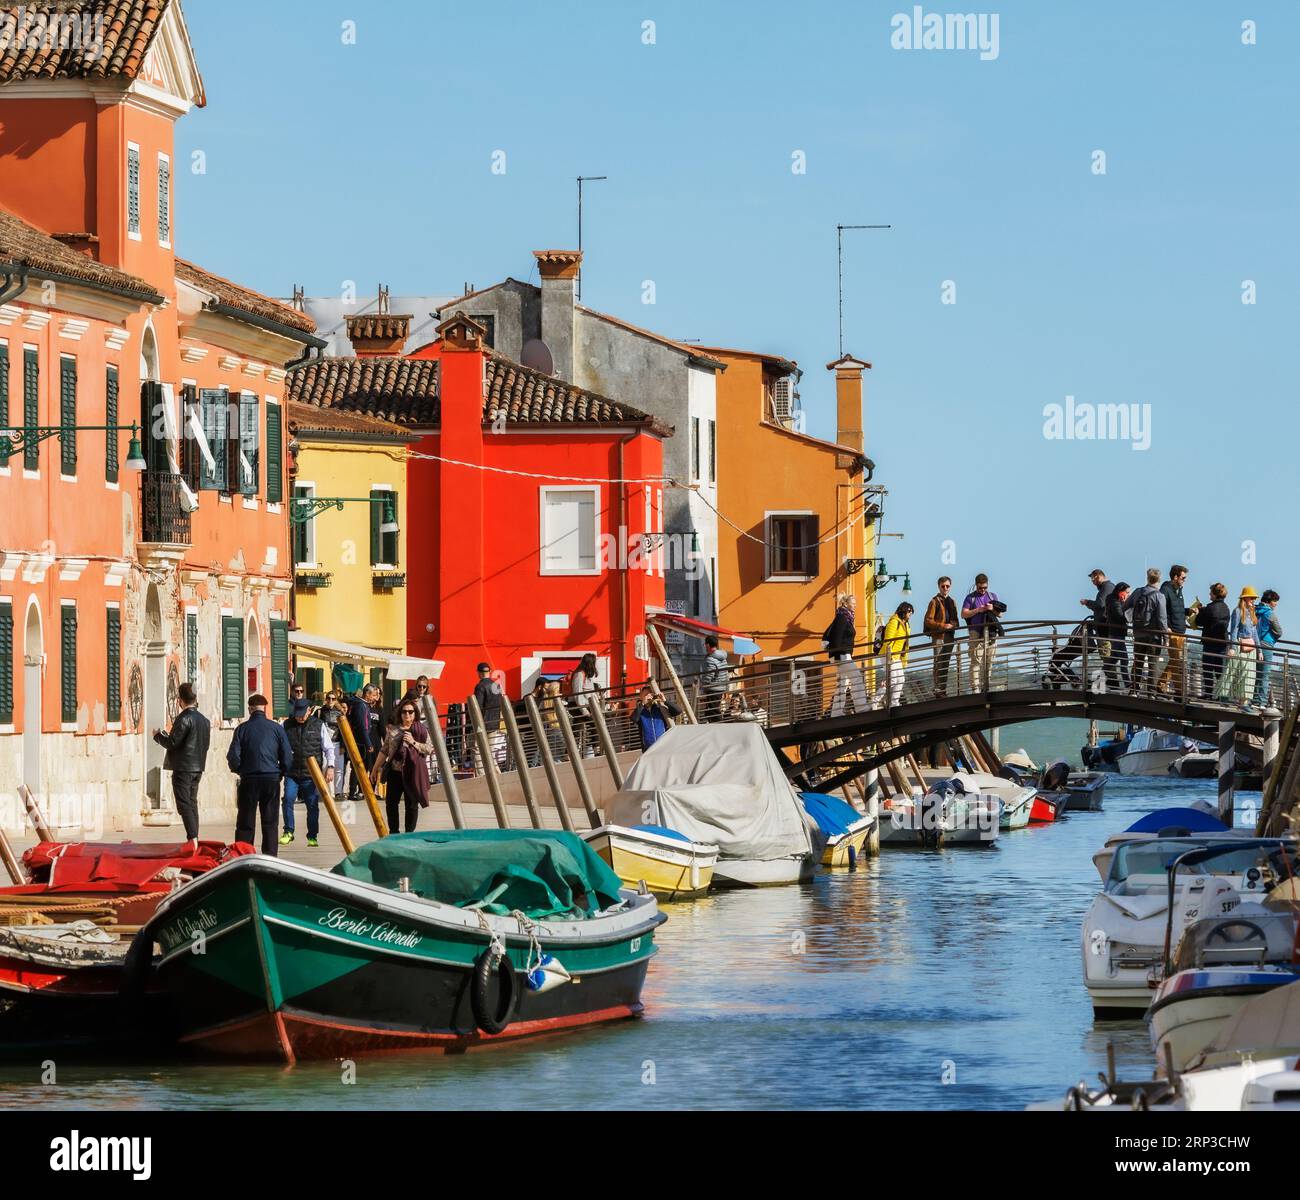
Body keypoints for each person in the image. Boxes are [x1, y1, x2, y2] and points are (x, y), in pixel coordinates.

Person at [226, 694, 292, 855]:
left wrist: (240, 770)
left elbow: (233, 756)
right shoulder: (277, 729)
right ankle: (270, 857)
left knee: (245, 822)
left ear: (249, 709)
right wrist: (281, 773)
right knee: (270, 822)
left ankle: (244, 855)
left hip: (249, 778)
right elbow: (287, 757)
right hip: (271, 778)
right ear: (265, 708)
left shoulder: (242, 729)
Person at [152, 681, 211, 839]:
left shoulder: (184, 718)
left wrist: (157, 735)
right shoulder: (205, 721)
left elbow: (172, 742)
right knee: (192, 803)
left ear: (180, 700)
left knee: (184, 804)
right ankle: (194, 838)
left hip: (183, 768)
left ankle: (192, 838)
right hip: (198, 767)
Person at [371, 699, 432, 833]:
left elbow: (428, 749)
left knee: (411, 805)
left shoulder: (421, 730)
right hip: (395, 772)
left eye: (410, 712)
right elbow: (384, 750)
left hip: (412, 772)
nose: (407, 715)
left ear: (415, 713)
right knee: (391, 803)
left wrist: (413, 742)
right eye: (404, 712)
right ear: (400, 713)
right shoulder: (393, 730)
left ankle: (409, 834)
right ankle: (394, 832)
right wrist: (375, 769)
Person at [280, 698, 331, 847]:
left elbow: (328, 748)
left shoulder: (318, 725)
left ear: (309, 711)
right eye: (297, 714)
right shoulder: (286, 725)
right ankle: (288, 831)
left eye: (302, 714)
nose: (299, 717)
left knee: (312, 804)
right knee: (288, 800)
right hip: (292, 772)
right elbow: (280, 746)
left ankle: (312, 835)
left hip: (311, 774)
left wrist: (331, 767)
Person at [1124, 568, 1168, 695]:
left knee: (1138, 661)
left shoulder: (1138, 592)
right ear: (1159, 579)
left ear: (1147, 578)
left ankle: (1134, 689)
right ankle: (1151, 693)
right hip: (1153, 636)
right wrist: (1165, 637)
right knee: (1153, 663)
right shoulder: (1159, 596)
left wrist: (1132, 620)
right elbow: (1162, 618)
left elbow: (1125, 607)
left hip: (1138, 633)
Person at [823, 592, 867, 717]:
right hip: (842, 655)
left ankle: (836, 713)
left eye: (855, 603)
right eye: (853, 603)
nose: (855, 605)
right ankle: (862, 707)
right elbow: (837, 637)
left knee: (843, 683)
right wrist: (837, 656)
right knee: (857, 677)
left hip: (842, 655)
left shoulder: (844, 616)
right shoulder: (842, 617)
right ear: (846, 604)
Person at [961, 574, 1004, 690]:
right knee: (976, 661)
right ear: (976, 586)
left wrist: (992, 609)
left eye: (985, 587)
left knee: (989, 661)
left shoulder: (993, 596)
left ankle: (986, 686)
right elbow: (963, 614)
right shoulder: (970, 598)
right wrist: (978, 610)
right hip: (975, 632)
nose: (983, 590)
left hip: (991, 632)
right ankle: (975, 688)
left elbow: (1001, 614)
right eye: (980, 588)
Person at [1222, 587, 1260, 706]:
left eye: (1254, 598)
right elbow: (1234, 630)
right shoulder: (1237, 611)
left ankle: (1243, 702)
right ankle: (1224, 698)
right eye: (1251, 598)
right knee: (1232, 670)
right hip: (1239, 644)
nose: (1253, 600)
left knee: (1249, 674)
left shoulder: (1252, 612)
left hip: (1250, 647)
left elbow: (1255, 633)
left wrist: (1259, 650)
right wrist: (1233, 647)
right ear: (1245, 598)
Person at [871, 602, 913, 709]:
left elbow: (905, 645)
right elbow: (888, 641)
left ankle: (894, 703)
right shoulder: (894, 622)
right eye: (909, 612)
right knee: (893, 679)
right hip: (887, 654)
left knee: (901, 679)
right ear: (904, 611)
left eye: (911, 613)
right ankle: (875, 700)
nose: (910, 614)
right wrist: (889, 657)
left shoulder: (906, 624)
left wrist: (904, 660)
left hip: (897, 656)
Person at [1157, 565, 1189, 696]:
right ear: (1175, 577)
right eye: (1183, 578)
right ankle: (1179, 691)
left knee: (1175, 661)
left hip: (1181, 630)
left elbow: (1177, 609)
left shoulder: (1178, 590)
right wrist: (1167, 627)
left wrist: (1188, 611)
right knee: (1176, 661)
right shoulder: (1165, 590)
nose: (1184, 580)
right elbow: (1162, 610)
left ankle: (1161, 684)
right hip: (1173, 631)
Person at [924, 577, 959, 696]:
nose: (945, 588)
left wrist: (952, 625)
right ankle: (938, 689)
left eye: (947, 586)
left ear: (950, 587)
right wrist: (943, 626)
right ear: (939, 586)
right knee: (938, 662)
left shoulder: (952, 601)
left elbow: (956, 620)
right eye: (943, 586)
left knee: (946, 663)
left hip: (950, 636)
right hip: (939, 636)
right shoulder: (934, 601)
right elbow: (928, 621)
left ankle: (943, 690)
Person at [342, 685, 377, 799]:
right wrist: (368, 743)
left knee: (359, 766)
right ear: (367, 694)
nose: (375, 698)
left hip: (359, 741)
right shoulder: (361, 706)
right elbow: (363, 726)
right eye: (373, 695)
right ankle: (353, 793)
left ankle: (358, 791)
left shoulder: (359, 704)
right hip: (360, 742)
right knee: (358, 766)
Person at [1198, 583, 1231, 700]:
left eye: (1211, 592)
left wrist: (1200, 611)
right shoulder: (1226, 608)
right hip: (1222, 643)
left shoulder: (1210, 608)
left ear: (1215, 594)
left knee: (1207, 669)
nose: (1209, 594)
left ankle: (1209, 694)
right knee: (1219, 670)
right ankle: (1220, 695)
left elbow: (1199, 621)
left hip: (1209, 642)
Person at [471, 662, 506, 772]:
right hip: (494, 722)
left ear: (479, 673)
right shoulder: (496, 685)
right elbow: (500, 703)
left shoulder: (480, 686)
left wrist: (476, 723)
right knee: (490, 751)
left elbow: (478, 707)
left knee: (477, 749)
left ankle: (481, 775)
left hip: (483, 723)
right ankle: (497, 773)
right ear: (489, 672)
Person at [567, 653, 602, 754]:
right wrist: (584, 711)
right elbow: (578, 694)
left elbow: (590, 692)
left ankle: (569, 753)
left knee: (577, 728)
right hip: (578, 706)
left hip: (584, 705)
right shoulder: (579, 675)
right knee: (594, 723)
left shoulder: (586, 675)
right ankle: (597, 750)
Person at [1100, 582, 1131, 693]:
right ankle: (1128, 684)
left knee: (1113, 659)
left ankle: (1098, 680)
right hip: (1117, 635)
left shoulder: (1113, 600)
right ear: (1120, 591)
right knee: (1124, 659)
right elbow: (1121, 618)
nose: (1128, 594)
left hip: (1115, 634)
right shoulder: (1115, 603)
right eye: (1127, 592)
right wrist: (1129, 610)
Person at [1255, 590, 1283, 708]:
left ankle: (1254, 700)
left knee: (1255, 673)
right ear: (1270, 602)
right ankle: (1261, 702)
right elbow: (1279, 631)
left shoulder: (1255, 610)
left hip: (1254, 644)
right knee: (1265, 674)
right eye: (1275, 601)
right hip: (1266, 645)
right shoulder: (1270, 613)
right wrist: (1271, 638)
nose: (1276, 604)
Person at [633, 684, 680, 750]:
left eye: (650, 694)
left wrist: (665, 701)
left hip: (663, 746)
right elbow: (634, 719)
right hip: (648, 749)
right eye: (645, 695)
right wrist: (642, 704)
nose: (648, 697)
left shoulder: (660, 709)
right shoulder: (640, 711)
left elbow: (678, 711)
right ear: (641, 697)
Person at [699, 636, 731, 722]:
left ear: (708, 645)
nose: (705, 646)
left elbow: (709, 675)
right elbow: (725, 672)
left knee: (713, 710)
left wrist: (702, 686)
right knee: (711, 710)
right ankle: (714, 725)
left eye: (705, 644)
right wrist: (726, 687)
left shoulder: (711, 659)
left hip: (713, 688)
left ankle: (720, 726)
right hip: (721, 687)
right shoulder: (723, 657)